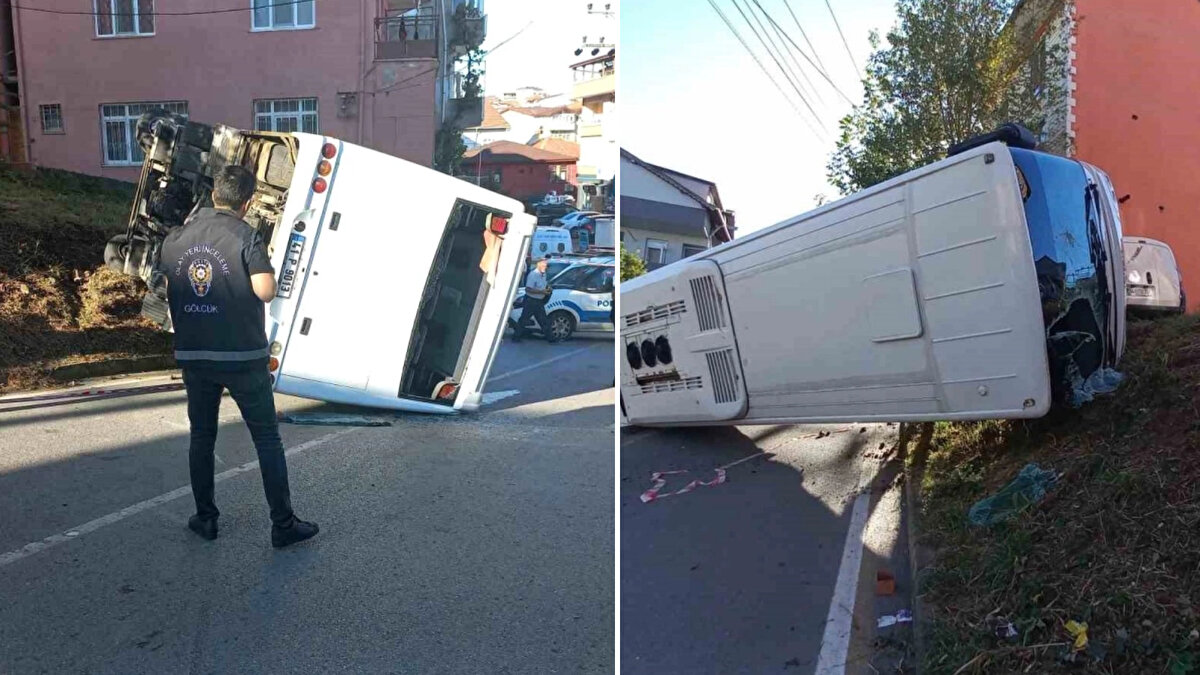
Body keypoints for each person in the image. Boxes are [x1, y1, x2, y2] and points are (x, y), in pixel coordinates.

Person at [158, 165, 318, 549]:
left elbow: (171, 288)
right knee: (266, 438)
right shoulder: (246, 236)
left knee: (202, 436)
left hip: (195, 354)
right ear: (246, 202)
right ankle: (282, 524)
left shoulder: (176, 239)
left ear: (215, 195)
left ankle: (206, 518)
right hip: (242, 355)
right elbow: (265, 291)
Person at [513, 257, 557, 343]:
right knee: (524, 319)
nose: (546, 267)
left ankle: (551, 339)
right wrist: (541, 291)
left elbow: (543, 284)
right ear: (538, 265)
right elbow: (528, 289)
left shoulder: (543, 274)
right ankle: (516, 337)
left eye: (546, 265)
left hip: (539, 301)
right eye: (544, 265)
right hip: (531, 301)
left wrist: (547, 289)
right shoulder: (533, 275)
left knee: (543, 320)